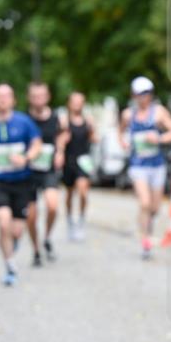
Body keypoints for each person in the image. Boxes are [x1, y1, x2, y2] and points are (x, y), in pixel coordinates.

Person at [0, 84, 42, 286]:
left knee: (17, 230)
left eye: (7, 96)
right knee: (3, 222)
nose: (3, 100)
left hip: (22, 182)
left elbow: (36, 144)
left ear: (13, 100)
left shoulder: (24, 122)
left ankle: (11, 246)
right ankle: (10, 265)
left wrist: (26, 157)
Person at [119, 76, 171, 259]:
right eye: (139, 94)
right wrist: (122, 143)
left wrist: (159, 139)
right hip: (138, 165)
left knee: (154, 208)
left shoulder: (159, 112)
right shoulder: (128, 115)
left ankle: (145, 225)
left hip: (156, 165)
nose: (143, 97)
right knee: (144, 203)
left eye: (146, 94)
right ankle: (145, 240)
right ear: (134, 95)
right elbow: (119, 131)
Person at [26, 82, 65, 266]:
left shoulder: (57, 118)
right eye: (34, 96)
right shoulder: (24, 120)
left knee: (52, 206)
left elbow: (63, 135)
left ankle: (47, 238)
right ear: (29, 98)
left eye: (41, 95)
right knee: (32, 216)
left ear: (48, 97)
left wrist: (60, 151)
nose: (38, 99)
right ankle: (35, 250)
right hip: (29, 172)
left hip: (48, 169)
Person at [61, 91, 98, 241]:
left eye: (80, 101)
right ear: (69, 104)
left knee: (83, 192)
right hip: (69, 161)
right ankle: (70, 221)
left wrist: (93, 130)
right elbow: (60, 141)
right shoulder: (64, 121)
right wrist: (63, 139)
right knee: (70, 193)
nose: (77, 104)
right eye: (74, 101)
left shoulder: (88, 121)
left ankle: (81, 220)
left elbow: (95, 139)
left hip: (83, 161)